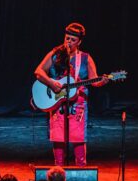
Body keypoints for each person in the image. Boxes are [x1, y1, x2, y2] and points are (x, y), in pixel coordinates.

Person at [34, 22, 107, 166]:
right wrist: (51, 82)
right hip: (58, 102)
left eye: (73, 40)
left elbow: (94, 81)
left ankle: (81, 173)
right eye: (67, 38)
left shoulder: (85, 58)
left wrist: (102, 81)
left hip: (78, 105)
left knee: (78, 139)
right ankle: (58, 174)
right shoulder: (55, 54)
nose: (69, 42)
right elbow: (38, 71)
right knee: (58, 138)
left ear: (79, 42)